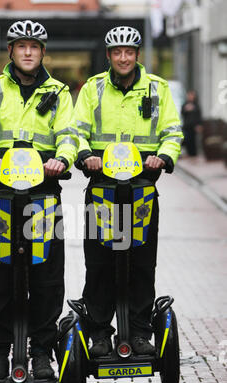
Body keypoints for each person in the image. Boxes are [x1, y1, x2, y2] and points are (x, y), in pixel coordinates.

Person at [0, 20, 78, 379]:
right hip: (2, 193)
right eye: (21, 46)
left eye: (34, 46)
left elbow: (68, 135)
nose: (28, 52)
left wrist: (61, 159)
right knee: (2, 273)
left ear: (42, 52)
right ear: (11, 51)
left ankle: (42, 349)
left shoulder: (60, 92)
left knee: (46, 274)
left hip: (44, 193)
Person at [73, 26, 183, 357]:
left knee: (141, 262)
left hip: (142, 189)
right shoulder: (93, 89)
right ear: (108, 55)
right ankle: (101, 334)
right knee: (99, 263)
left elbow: (172, 131)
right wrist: (84, 155)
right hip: (102, 187)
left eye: (129, 52)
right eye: (117, 52)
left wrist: (163, 156)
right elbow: (76, 130)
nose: (123, 57)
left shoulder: (157, 88)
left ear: (137, 55)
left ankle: (138, 332)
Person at [181, 90, 202, 156]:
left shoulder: (196, 105)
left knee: (194, 141)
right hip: (187, 126)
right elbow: (182, 113)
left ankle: (194, 154)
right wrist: (186, 109)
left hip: (194, 127)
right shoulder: (185, 104)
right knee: (187, 140)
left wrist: (199, 125)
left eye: (192, 95)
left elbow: (199, 115)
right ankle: (189, 153)